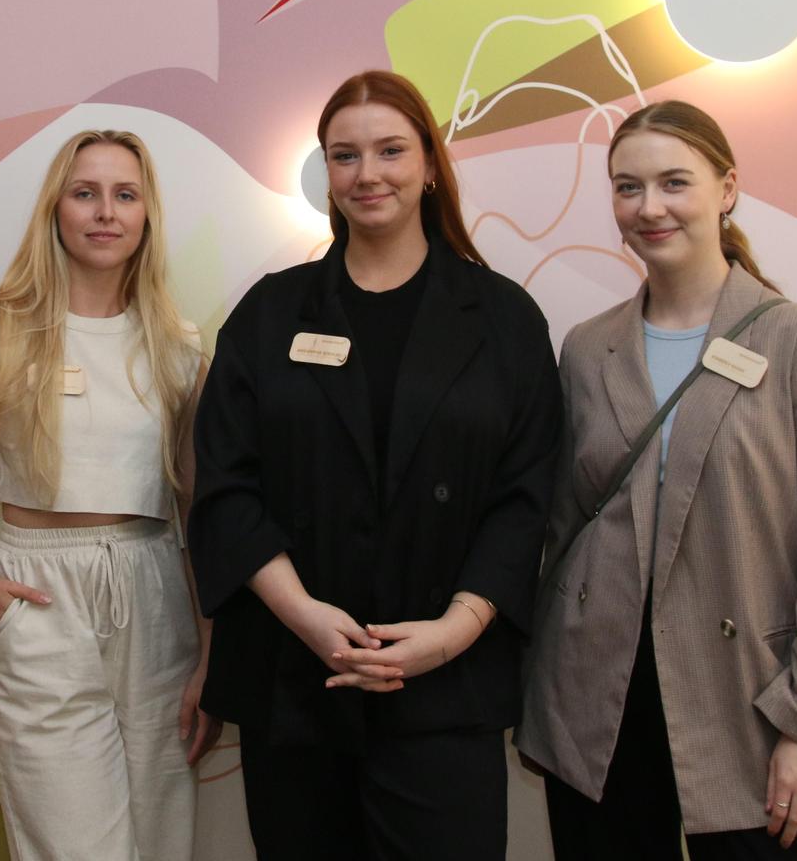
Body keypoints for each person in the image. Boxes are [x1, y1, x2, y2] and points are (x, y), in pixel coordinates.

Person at [188, 70, 561, 859]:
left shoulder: (504, 320)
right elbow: (227, 485)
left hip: (445, 692)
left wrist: (452, 634)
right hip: (294, 682)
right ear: (327, 174)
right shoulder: (269, 312)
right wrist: (304, 616)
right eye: (345, 156)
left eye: (391, 150)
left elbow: (526, 499)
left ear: (430, 165)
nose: (368, 174)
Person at [517, 100, 797, 859]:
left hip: (751, 700)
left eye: (675, 182)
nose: (650, 208)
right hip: (599, 706)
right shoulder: (587, 349)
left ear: (727, 188)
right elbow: (560, 531)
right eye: (627, 187)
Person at [0, 128, 216, 861]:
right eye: (85, 193)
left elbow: (199, 507)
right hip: (40, 596)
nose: (105, 212)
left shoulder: (181, 347)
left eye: (124, 195)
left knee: (161, 838)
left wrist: (209, 654)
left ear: (146, 216)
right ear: (56, 209)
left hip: (156, 594)